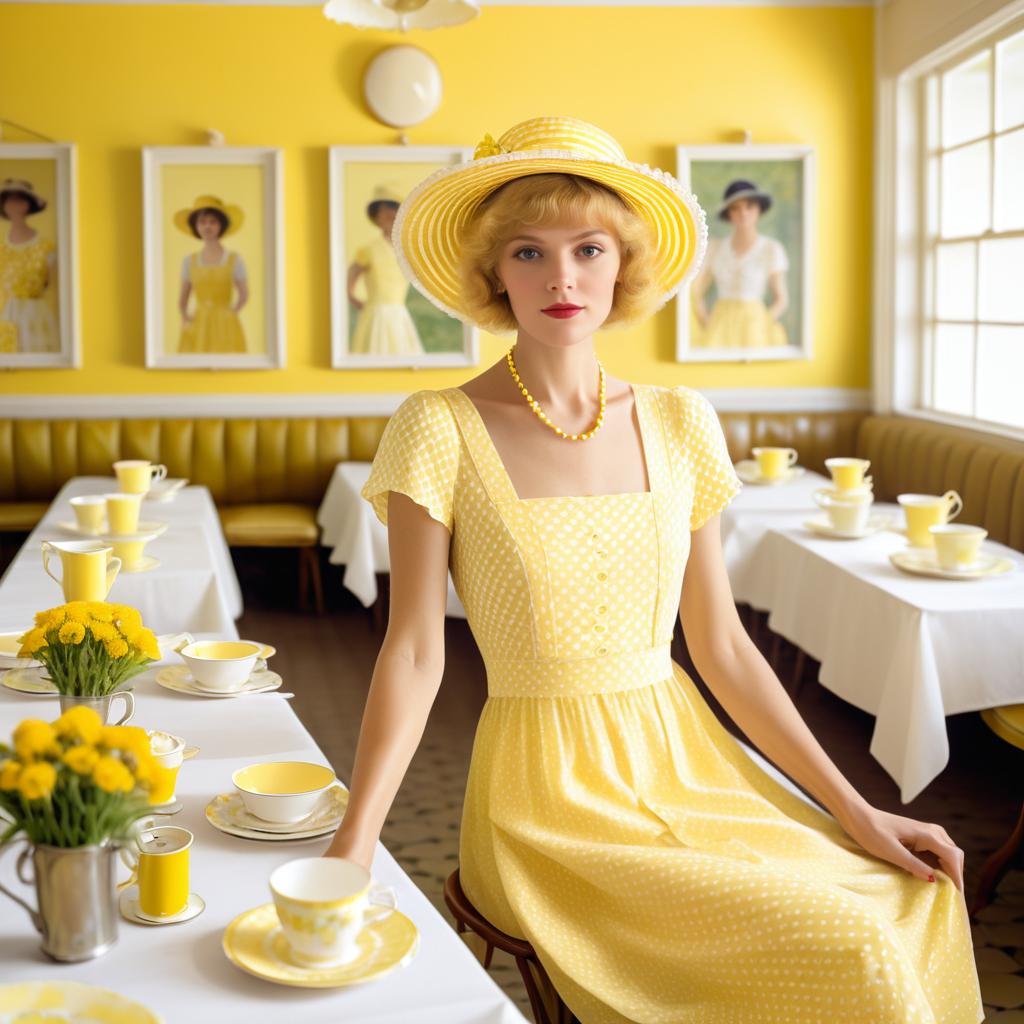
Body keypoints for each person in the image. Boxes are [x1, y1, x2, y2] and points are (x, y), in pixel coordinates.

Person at [324, 116, 984, 1024]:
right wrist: (354, 849)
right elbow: (411, 655)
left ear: (622, 267)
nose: (562, 278)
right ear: (492, 275)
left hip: (689, 762)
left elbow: (724, 648)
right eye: (529, 251)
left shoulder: (681, 419)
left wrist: (856, 811)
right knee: (855, 945)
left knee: (913, 896)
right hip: (544, 797)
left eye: (588, 249)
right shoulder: (436, 424)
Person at [691, 179, 790, 349]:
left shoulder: (771, 249)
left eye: (749, 206)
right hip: (720, 325)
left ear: (758, 209)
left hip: (755, 325)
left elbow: (781, 298)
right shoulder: (715, 248)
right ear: (729, 214)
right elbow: (696, 291)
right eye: (735, 208)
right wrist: (706, 321)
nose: (743, 213)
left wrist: (763, 322)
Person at [347, 183, 424, 355]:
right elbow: (353, 271)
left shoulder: (406, 250)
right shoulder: (369, 250)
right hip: (376, 316)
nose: (388, 218)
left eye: (392, 214)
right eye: (383, 215)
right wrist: (351, 297)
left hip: (399, 314)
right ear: (377, 218)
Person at [174, 195, 248, 353]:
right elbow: (183, 298)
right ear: (196, 227)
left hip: (226, 325)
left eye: (213, 222)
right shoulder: (189, 261)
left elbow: (244, 294)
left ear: (221, 225)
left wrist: (231, 314)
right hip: (199, 324)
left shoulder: (234, 259)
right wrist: (186, 319)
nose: (207, 226)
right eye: (202, 222)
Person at [0, 178, 59, 353]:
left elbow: (56, 288)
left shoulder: (46, 247)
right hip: (7, 317)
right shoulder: (2, 249)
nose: (14, 205)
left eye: (20, 200)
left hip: (36, 318)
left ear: (28, 205)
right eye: (9, 200)